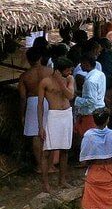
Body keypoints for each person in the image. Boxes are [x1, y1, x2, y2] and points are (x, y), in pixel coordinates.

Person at [39, 57, 75, 192]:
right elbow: (40, 105)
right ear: (59, 70)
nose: (70, 72)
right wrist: (40, 126)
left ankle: (62, 180)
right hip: (53, 116)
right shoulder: (45, 82)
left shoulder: (70, 79)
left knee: (65, 149)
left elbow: (70, 96)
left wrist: (61, 82)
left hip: (66, 114)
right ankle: (46, 184)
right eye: (68, 69)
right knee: (47, 151)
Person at [19, 48, 51, 181]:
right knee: (49, 133)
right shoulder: (49, 71)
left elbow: (22, 97)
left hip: (33, 102)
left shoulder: (25, 76)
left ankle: (39, 165)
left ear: (28, 59)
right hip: (48, 101)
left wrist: (22, 113)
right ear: (40, 58)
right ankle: (50, 165)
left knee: (36, 136)